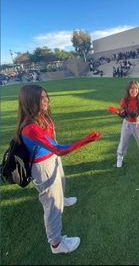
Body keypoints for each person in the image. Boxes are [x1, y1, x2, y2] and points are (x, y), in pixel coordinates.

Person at [16, 84, 102, 254]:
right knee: (52, 206)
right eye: (41, 98)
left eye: (46, 96)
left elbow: (53, 145)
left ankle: (62, 198)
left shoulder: (42, 116)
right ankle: (56, 244)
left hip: (51, 159)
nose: (46, 100)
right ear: (30, 101)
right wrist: (86, 140)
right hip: (43, 166)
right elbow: (59, 149)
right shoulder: (31, 127)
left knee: (60, 184)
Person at [107, 80, 139, 168]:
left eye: (136, 88)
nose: (134, 90)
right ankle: (120, 158)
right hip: (127, 124)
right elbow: (123, 114)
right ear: (128, 90)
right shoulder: (124, 101)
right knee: (123, 142)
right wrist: (117, 112)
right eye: (132, 88)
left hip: (138, 124)